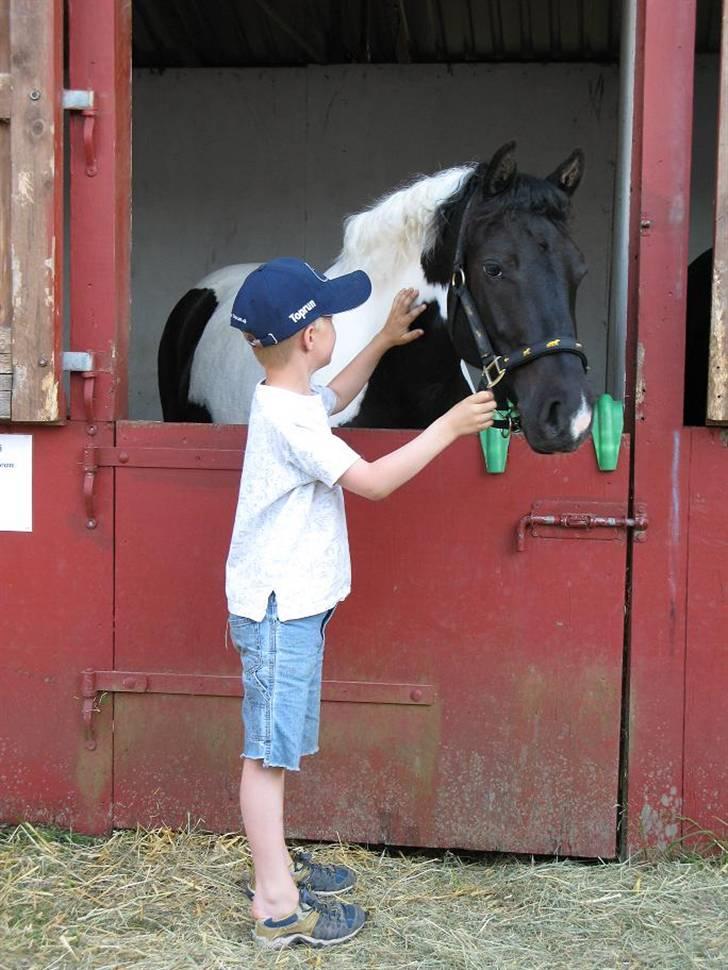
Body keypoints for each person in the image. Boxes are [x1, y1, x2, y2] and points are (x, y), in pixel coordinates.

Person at [226, 257, 496, 949]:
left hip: (290, 603)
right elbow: (372, 482)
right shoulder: (291, 421)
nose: (337, 330)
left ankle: (276, 865)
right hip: (279, 609)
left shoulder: (287, 397)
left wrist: (380, 340)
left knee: (274, 749)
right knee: (266, 754)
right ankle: (276, 904)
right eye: (333, 320)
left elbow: (336, 396)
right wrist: (448, 426)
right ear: (312, 337)